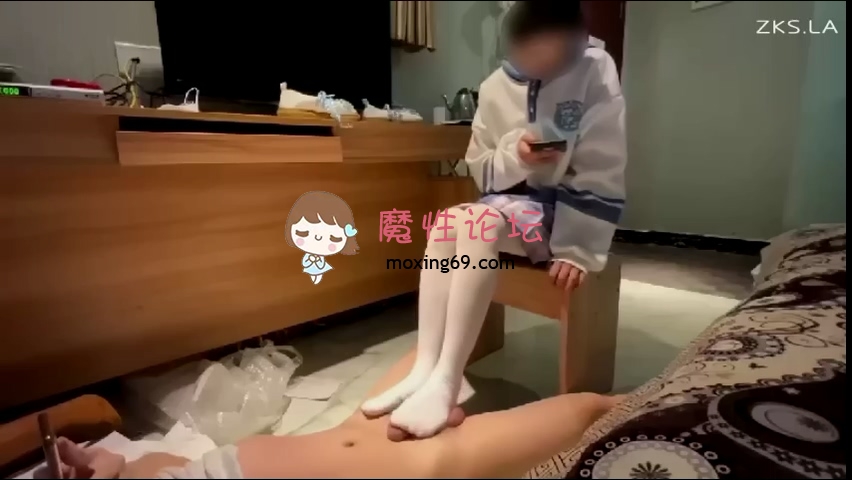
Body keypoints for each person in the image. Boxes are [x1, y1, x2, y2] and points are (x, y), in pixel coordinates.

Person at [360, 0, 627, 438]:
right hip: (509, 204)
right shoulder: (493, 86)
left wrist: (577, 248)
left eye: (556, 56)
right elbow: (480, 166)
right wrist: (516, 155)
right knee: (448, 221)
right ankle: (426, 366)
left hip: (563, 212)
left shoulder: (595, 69)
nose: (545, 68)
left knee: (477, 223)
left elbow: (604, 160)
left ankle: (448, 379)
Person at [54, 350, 623, 479]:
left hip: (357, 427)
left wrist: (107, 465)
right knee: (592, 410)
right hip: (409, 468)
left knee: (439, 344)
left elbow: (157, 463)